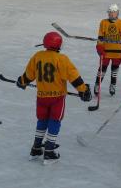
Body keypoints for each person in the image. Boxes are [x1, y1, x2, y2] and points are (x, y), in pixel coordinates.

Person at [16, 31, 92, 165]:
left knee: (42, 120)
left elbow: (29, 74)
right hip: (57, 98)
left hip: (41, 97)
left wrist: (22, 81)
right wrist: (84, 90)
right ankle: (49, 151)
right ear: (58, 45)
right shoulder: (61, 59)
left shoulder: (37, 56)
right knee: (54, 121)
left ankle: (36, 148)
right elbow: (73, 77)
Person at [94, 4, 121, 96]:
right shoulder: (103, 22)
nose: (111, 14)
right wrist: (100, 47)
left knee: (114, 71)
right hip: (106, 52)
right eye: (110, 12)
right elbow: (100, 37)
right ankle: (97, 84)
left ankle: (113, 85)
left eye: (114, 12)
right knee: (102, 70)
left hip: (118, 53)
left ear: (117, 13)